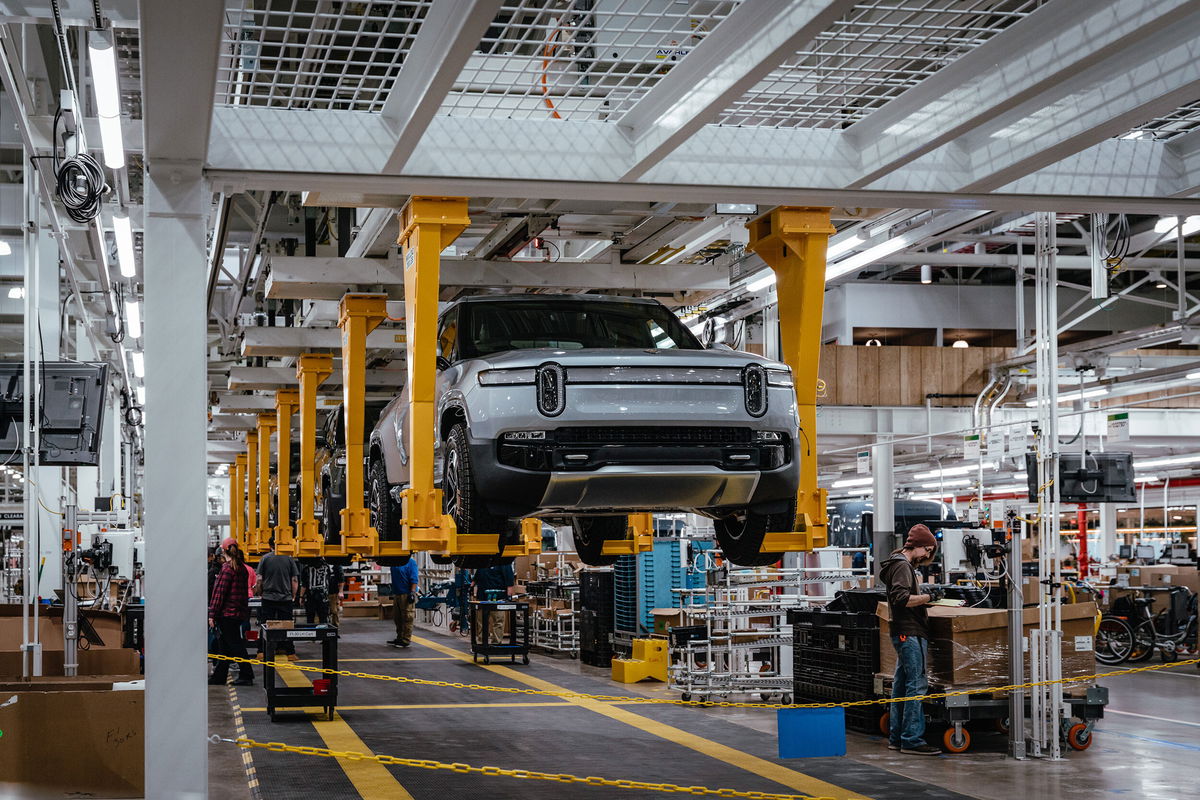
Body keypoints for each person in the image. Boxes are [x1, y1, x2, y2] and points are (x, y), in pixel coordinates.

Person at [879, 524, 941, 756]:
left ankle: (898, 737)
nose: (927, 556)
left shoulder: (898, 563)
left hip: (904, 630)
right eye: (927, 550)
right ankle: (912, 740)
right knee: (917, 684)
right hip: (909, 631)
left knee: (901, 685)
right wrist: (928, 597)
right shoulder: (902, 566)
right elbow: (901, 599)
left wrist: (925, 595)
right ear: (917, 546)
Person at [208, 544, 255, 686]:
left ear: (223, 553)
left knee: (235, 645)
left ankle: (247, 675)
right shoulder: (242, 568)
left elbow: (219, 593)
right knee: (225, 646)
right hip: (238, 613)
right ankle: (219, 677)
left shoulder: (227, 569)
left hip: (227, 614)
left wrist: (212, 614)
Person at [256, 537, 300, 661]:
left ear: (270, 545)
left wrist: (260, 593)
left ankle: (262, 652)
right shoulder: (289, 559)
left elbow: (259, 579)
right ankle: (289, 652)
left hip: (268, 598)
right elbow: (294, 580)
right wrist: (293, 595)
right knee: (286, 625)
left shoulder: (265, 558)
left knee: (265, 625)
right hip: (285, 598)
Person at [472, 562, 515, 645]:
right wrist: (471, 586)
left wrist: (509, 596)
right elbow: (477, 576)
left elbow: (509, 580)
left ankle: (496, 643)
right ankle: (482, 643)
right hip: (482, 597)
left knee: (498, 621)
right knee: (481, 622)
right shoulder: (484, 560)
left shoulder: (504, 562)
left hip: (498, 597)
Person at [389, 559, 419, 647]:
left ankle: (406, 639)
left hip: (407, 594)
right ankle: (400, 637)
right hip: (397, 593)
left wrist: (412, 592)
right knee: (397, 618)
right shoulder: (393, 561)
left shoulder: (411, 562)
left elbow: (414, 578)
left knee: (407, 617)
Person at [302, 559, 334, 624]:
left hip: (311, 597)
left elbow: (304, 585)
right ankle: (323, 632)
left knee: (310, 618)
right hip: (323, 597)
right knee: (323, 618)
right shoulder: (326, 567)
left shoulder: (306, 568)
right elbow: (329, 581)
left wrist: (301, 596)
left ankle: (311, 632)